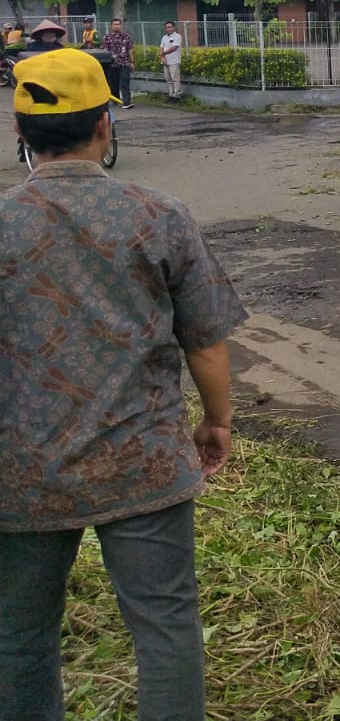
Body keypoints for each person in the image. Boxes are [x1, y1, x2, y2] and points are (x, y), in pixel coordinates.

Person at [0, 48, 247, 721]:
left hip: (23, 469)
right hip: (143, 462)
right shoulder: (158, 213)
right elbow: (206, 339)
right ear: (105, 124)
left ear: (20, 132)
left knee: (18, 634)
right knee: (165, 627)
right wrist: (216, 421)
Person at [102, 18, 134, 109]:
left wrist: (132, 61)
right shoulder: (107, 37)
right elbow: (105, 50)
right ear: (111, 26)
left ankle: (127, 102)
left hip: (124, 63)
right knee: (113, 84)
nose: (117, 26)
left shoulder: (126, 36)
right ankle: (116, 100)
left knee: (125, 82)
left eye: (118, 24)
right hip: (112, 64)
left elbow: (130, 49)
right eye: (115, 24)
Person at [159, 21, 183, 99]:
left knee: (175, 79)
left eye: (170, 27)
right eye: (167, 27)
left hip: (174, 61)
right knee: (168, 79)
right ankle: (171, 95)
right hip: (165, 61)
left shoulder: (177, 36)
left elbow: (174, 48)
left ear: (173, 27)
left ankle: (177, 95)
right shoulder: (164, 37)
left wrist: (163, 53)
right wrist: (162, 57)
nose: (169, 29)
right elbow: (161, 47)